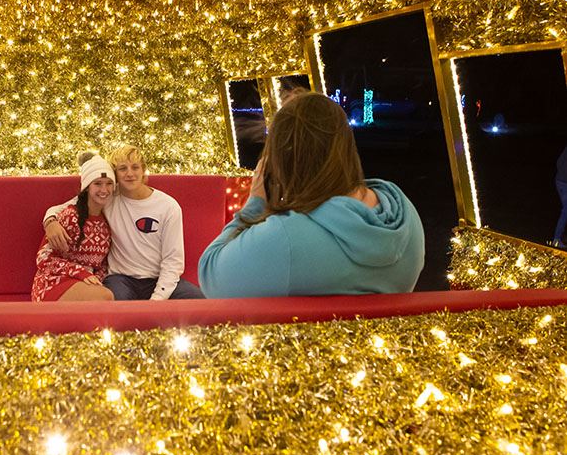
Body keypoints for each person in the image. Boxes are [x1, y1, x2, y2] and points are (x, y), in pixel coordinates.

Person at [198, 90, 425, 298]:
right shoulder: (405, 215)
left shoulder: (286, 240)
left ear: (282, 161)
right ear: (345, 145)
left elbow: (210, 275)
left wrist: (256, 201)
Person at [43, 144, 205, 300]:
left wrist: (157, 299)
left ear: (143, 171)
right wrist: (50, 222)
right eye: (122, 168)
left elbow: (173, 261)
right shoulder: (107, 197)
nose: (129, 173)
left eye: (135, 167)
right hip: (121, 279)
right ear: (115, 174)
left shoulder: (168, 206)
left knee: (200, 302)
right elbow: (65, 207)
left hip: (158, 279)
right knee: (114, 307)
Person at [31, 152, 115, 302]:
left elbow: (102, 265)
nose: (104, 189)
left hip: (86, 284)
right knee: (105, 297)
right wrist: (81, 273)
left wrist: (96, 279)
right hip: (54, 282)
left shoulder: (107, 222)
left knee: (105, 296)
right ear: (87, 187)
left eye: (109, 183)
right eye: (97, 183)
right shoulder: (70, 216)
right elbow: (44, 258)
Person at [552, 144, 567, 248]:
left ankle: (560, 237)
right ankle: (556, 240)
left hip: (560, 181)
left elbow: (559, 161)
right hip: (563, 182)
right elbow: (559, 162)